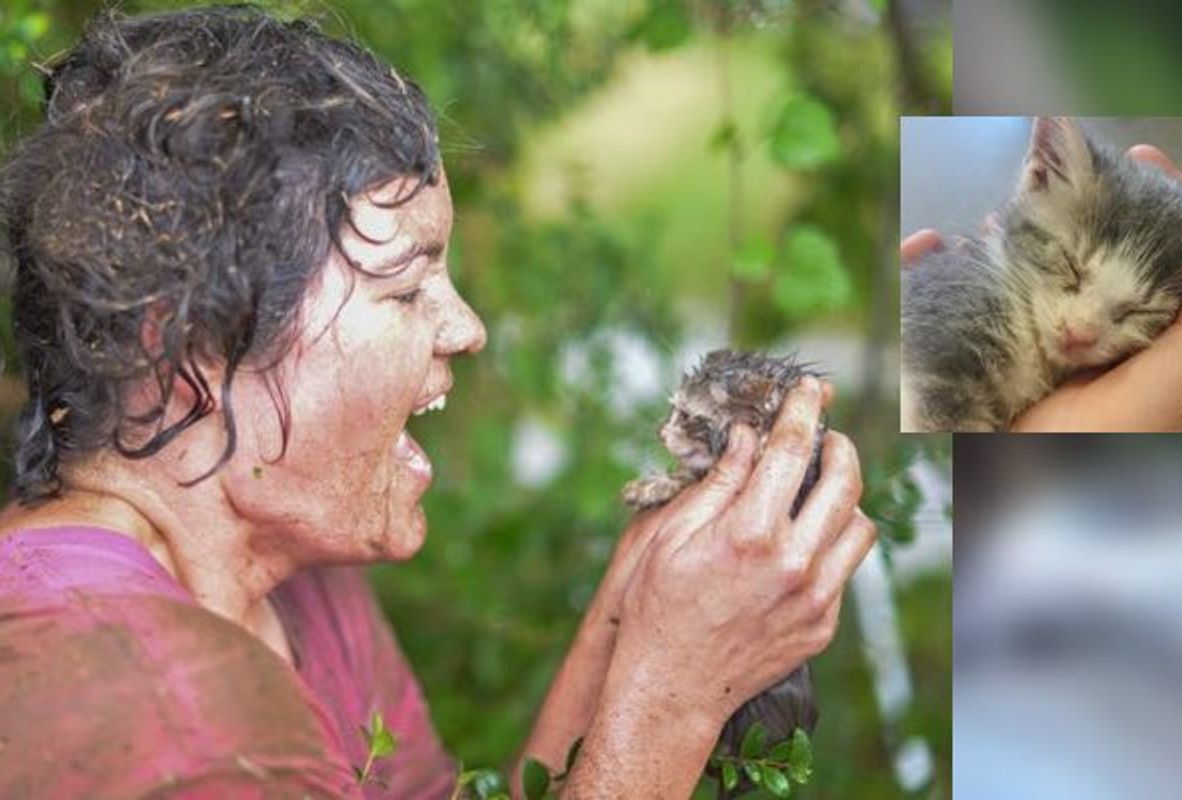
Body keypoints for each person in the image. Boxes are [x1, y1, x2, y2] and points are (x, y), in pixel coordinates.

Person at [0, 7, 875, 799]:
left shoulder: (296, 583)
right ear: (193, 345)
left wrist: (641, 608)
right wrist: (673, 697)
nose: (468, 328)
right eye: (408, 285)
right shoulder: (163, 733)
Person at [901, 144, 1182, 433]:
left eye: (1136, 311)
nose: (1081, 330)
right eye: (1068, 269)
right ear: (1040, 177)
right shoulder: (980, 294)